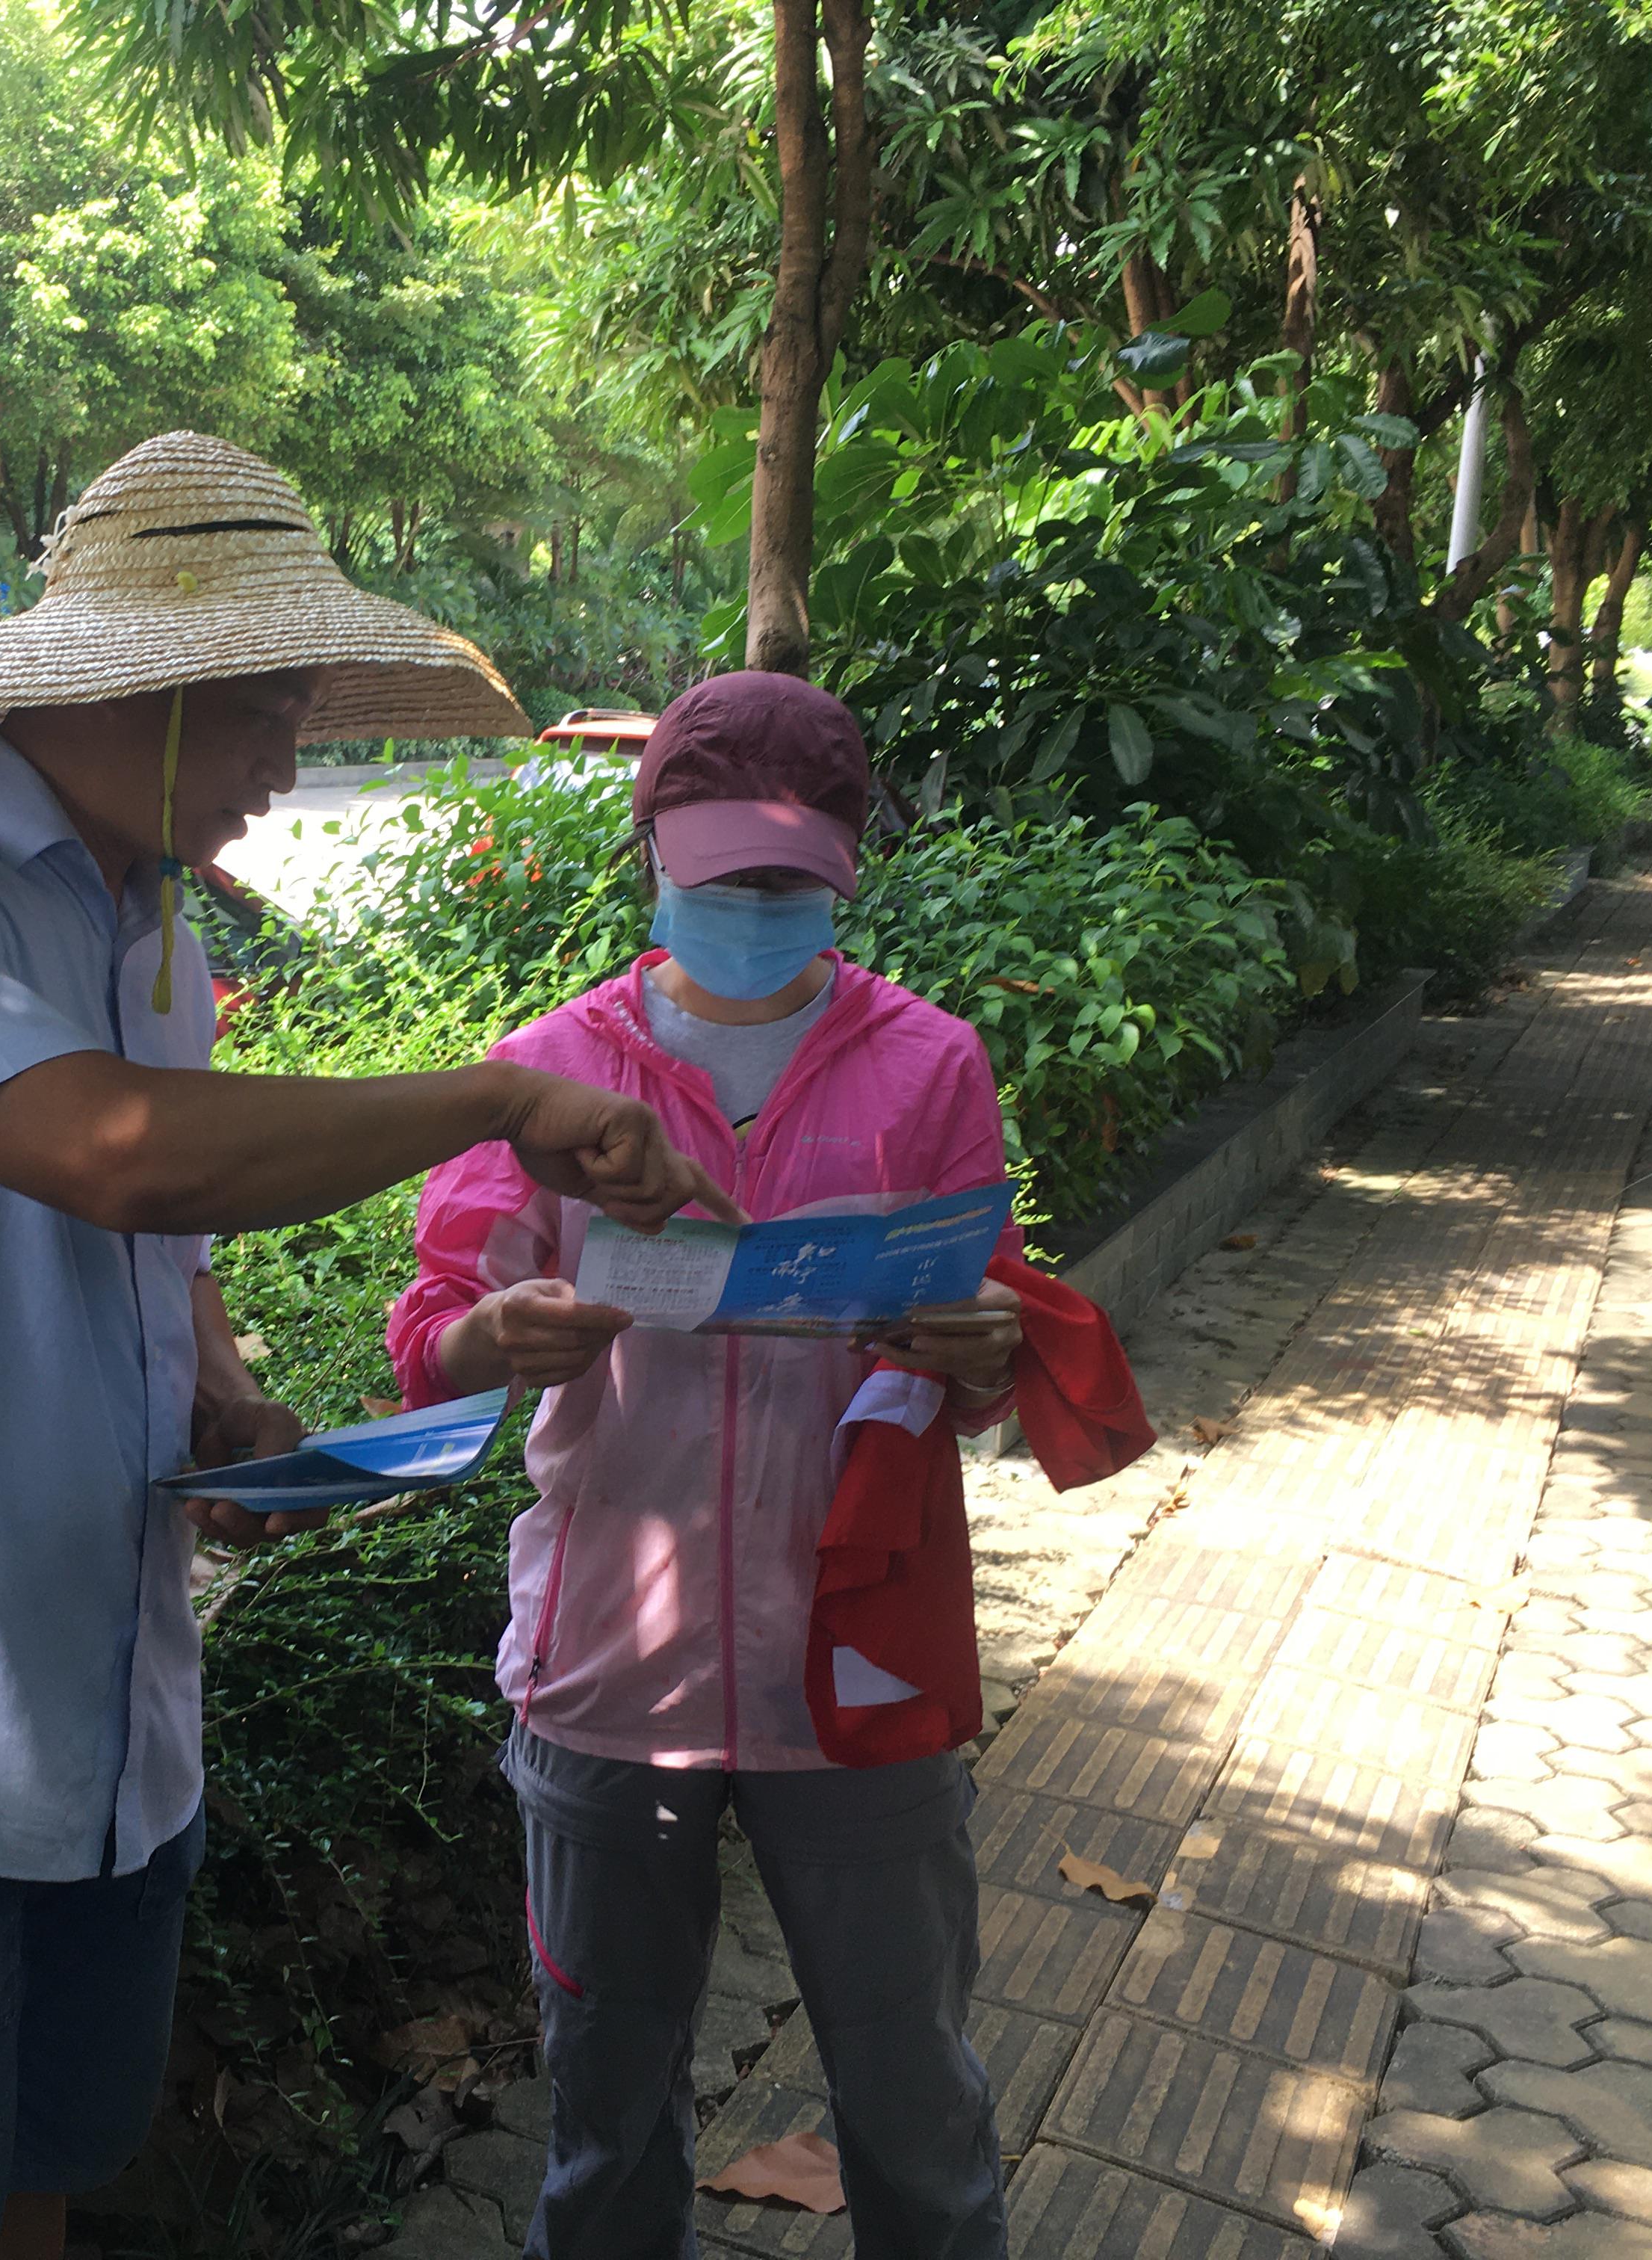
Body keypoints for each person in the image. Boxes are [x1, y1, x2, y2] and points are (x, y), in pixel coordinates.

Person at [0, 431, 740, 2260]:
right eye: (268, 706)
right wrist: (501, 1095)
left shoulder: (151, 921)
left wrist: (228, 1394)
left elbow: (158, 1235)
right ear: (136, 686)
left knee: (44, 2167)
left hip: (116, 1707)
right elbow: (113, 1151)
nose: (290, 757)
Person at [388, 674, 1056, 2260]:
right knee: (607, 2113)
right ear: (651, 855)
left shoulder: (928, 1064)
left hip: (860, 1658)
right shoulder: (547, 1068)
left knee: (914, 2096)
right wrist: (498, 1334)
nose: (752, 904)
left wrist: (986, 1348)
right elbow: (427, 1339)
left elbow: (984, 1342)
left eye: (786, 877)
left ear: (846, 866)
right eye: (719, 870)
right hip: (610, 1663)